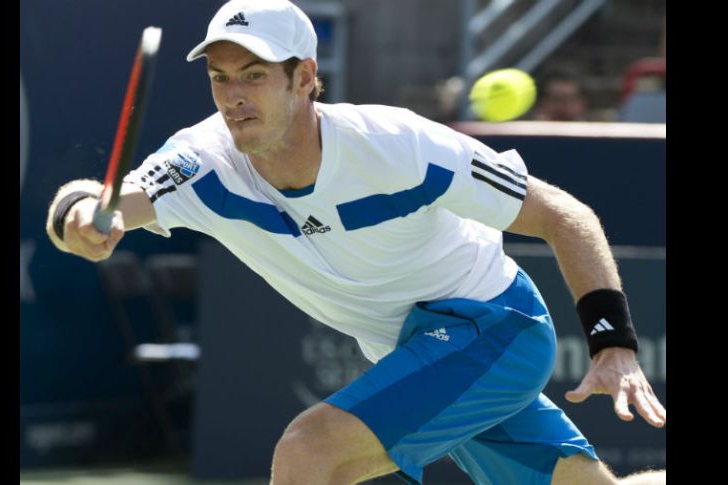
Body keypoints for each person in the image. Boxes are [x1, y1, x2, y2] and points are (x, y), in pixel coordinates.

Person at [45, 1, 666, 484]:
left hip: (493, 328)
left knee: (310, 453)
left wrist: (613, 345)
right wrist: (78, 218)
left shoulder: (397, 146)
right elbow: (102, 203)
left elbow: (565, 214)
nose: (234, 97)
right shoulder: (200, 163)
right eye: (220, 78)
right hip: (409, 352)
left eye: (255, 76)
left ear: (305, 78)